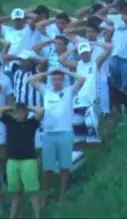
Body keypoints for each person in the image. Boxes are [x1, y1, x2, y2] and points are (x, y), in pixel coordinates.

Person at [28, 68, 87, 204]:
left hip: (65, 132)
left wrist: (65, 71)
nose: (56, 82)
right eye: (54, 79)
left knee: (64, 167)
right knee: (47, 168)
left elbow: (82, 79)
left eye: (59, 79)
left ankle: (62, 196)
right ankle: (46, 195)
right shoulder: (46, 91)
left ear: (63, 80)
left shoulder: (69, 91)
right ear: (51, 81)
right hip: (49, 133)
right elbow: (31, 80)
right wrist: (48, 73)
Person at [0, 103, 45, 219]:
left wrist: (28, 107)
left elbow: (41, 110)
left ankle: (38, 216)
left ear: (26, 113)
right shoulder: (10, 122)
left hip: (29, 161)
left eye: (22, 111)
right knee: (15, 194)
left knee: (33, 192)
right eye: (18, 112)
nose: (19, 113)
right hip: (12, 162)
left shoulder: (31, 123)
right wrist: (11, 107)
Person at [59, 41, 113, 142]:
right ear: (79, 54)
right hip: (79, 101)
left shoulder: (96, 62)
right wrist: (73, 48)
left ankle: (95, 149)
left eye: (87, 52)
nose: (85, 54)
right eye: (83, 52)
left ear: (90, 52)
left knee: (93, 128)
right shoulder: (77, 64)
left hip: (92, 101)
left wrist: (93, 42)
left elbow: (109, 48)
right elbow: (61, 59)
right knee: (79, 130)